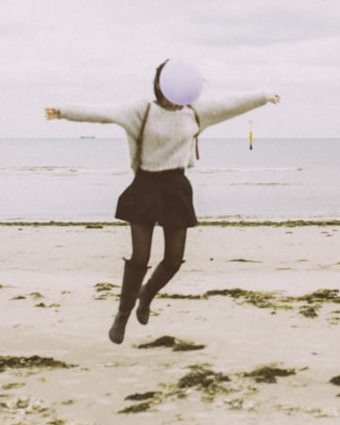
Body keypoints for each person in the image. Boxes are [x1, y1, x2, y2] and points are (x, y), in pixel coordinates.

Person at [45, 60, 280, 344]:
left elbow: (231, 104)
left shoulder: (195, 112)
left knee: (173, 260)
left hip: (176, 187)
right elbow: (103, 113)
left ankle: (146, 296)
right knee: (140, 258)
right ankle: (123, 314)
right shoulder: (140, 111)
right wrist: (64, 112)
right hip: (145, 185)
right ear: (160, 85)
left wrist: (264, 95)